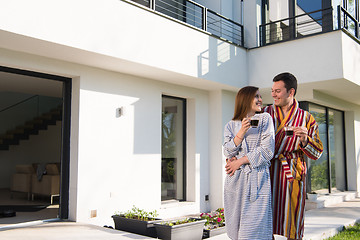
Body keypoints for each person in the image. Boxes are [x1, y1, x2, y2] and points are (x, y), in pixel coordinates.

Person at [263, 72, 323, 240]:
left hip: (292, 173)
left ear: (291, 92)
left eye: (278, 91)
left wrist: (305, 140)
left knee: (293, 219)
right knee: (266, 219)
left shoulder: (306, 118)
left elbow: (317, 152)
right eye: (272, 90)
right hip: (267, 172)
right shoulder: (265, 113)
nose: (273, 94)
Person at [223, 86, 275, 240]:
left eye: (260, 96)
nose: (260, 100)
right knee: (235, 231)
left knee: (252, 232)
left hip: (257, 180)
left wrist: (239, 161)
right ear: (245, 99)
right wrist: (241, 132)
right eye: (256, 96)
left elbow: (267, 150)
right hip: (235, 182)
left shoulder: (265, 119)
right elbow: (227, 151)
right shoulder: (230, 125)